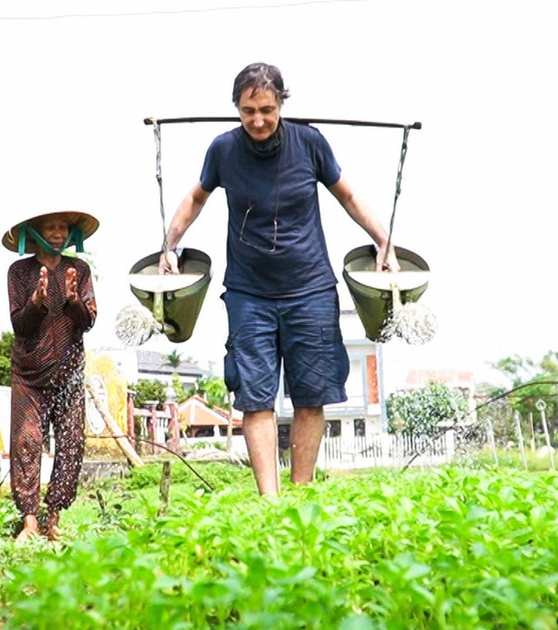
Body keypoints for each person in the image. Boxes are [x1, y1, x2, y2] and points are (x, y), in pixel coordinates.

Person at [159, 62, 399, 497]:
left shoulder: (309, 143)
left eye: (266, 109)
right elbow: (195, 199)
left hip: (311, 290)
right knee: (255, 397)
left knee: (312, 396)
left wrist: (383, 239)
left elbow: (347, 195)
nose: (258, 120)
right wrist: (169, 246)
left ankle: (300, 494)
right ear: (236, 108)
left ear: (281, 104)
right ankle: (270, 502)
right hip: (249, 295)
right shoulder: (224, 150)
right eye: (248, 110)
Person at [2, 210, 99, 541]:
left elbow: (88, 321)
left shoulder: (80, 270)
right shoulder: (19, 272)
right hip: (29, 373)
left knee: (71, 444)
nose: (58, 233)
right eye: (51, 227)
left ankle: (53, 519)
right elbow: (20, 325)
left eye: (63, 227)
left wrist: (73, 301)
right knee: (27, 442)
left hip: (69, 373)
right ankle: (29, 521)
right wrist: (37, 302)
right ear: (35, 231)